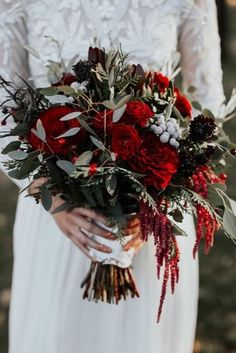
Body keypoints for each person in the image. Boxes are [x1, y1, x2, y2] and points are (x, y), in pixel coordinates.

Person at [0, 1, 226, 353]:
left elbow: (206, 101)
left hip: (150, 219)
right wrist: (49, 193)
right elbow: (3, 108)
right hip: (57, 218)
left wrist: (163, 190)